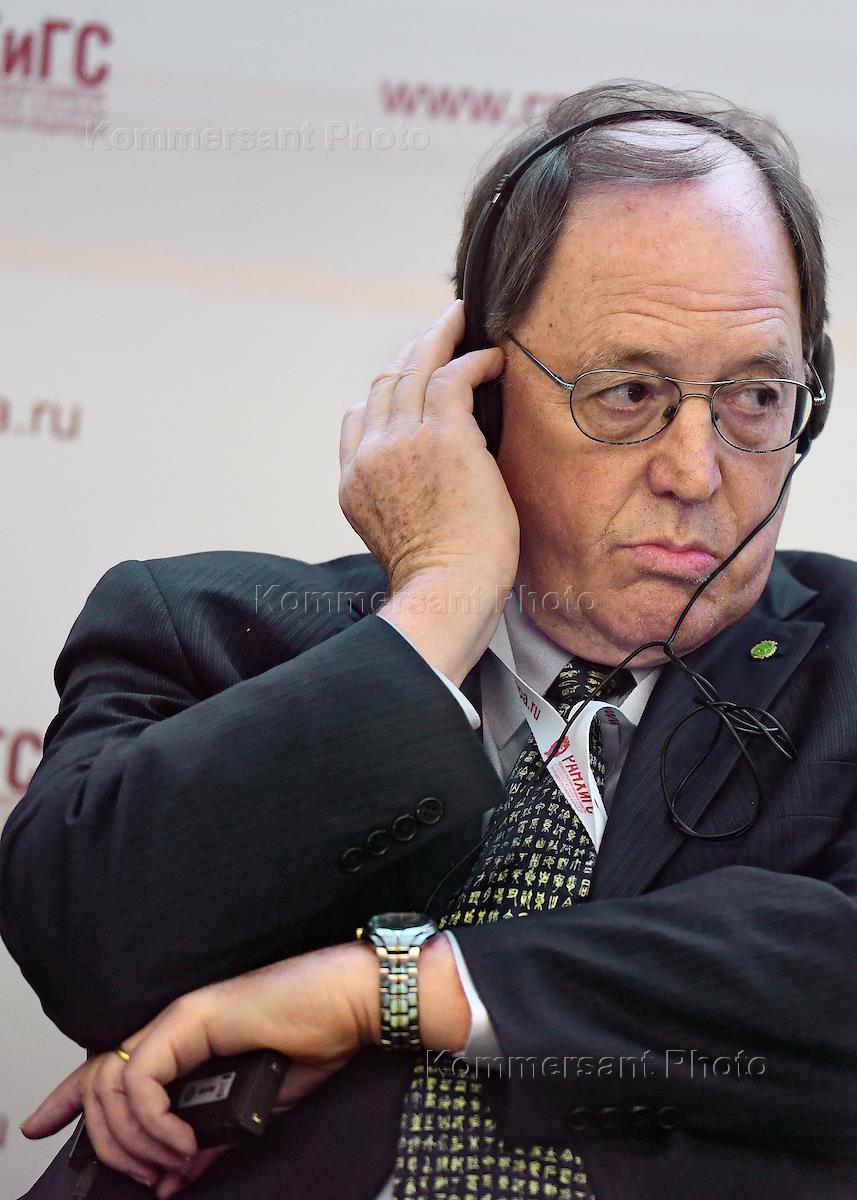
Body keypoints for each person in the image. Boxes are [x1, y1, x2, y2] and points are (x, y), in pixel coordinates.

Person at [2, 79, 856, 1200]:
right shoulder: (205, 628)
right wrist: (440, 604)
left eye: (753, 399)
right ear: (479, 399)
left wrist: (389, 989)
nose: (695, 472)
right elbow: (85, 939)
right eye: (626, 391)